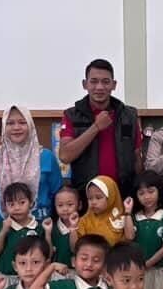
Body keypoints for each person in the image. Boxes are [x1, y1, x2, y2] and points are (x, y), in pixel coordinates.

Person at [59, 59, 142, 198]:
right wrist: (95, 127)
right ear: (85, 84)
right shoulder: (71, 115)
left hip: (123, 195)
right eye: (94, 81)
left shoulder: (129, 115)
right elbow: (65, 156)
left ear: (114, 85)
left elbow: (137, 157)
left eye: (105, 82)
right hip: (87, 198)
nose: (99, 87)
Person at [125, 171, 163, 289]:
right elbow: (129, 236)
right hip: (136, 271)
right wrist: (127, 212)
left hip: (157, 270)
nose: (147, 197)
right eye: (141, 193)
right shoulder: (135, 217)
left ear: (159, 191)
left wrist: (147, 264)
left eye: (151, 191)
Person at [0, 182, 51, 286]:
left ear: (31, 203)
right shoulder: (1, 226)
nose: (17, 208)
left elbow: (48, 254)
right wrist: (4, 231)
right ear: (5, 206)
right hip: (7, 278)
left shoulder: (40, 227)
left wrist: (48, 233)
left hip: (33, 279)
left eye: (22, 202)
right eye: (11, 204)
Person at [72, 175, 133, 249]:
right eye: (90, 198)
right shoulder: (84, 221)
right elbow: (74, 248)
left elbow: (130, 238)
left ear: (111, 197)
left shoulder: (121, 217)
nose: (93, 202)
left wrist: (127, 212)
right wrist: (73, 228)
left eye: (98, 197)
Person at [50, 185, 81, 269]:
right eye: (60, 205)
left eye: (70, 204)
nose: (65, 209)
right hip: (57, 272)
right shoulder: (51, 227)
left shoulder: (83, 225)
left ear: (79, 205)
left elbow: (75, 249)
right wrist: (47, 233)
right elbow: (48, 253)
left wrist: (73, 228)